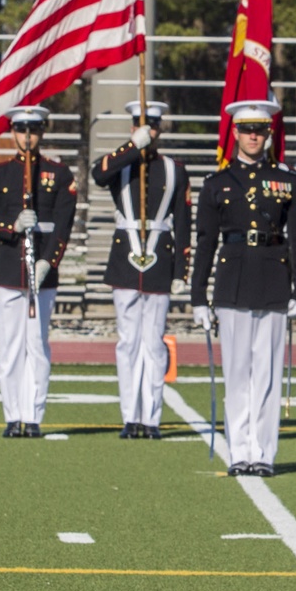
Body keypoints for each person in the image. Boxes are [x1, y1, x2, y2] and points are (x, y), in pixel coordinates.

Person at [191, 98, 296, 477]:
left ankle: (264, 453)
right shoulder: (217, 183)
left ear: (269, 134)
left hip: (274, 277)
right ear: (235, 134)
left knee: (268, 374)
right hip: (233, 280)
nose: (253, 136)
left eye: (259, 130)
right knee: (238, 372)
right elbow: (206, 241)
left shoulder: (288, 180)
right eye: (246, 130)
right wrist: (198, 297)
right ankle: (239, 451)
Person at [0, 105, 78, 438]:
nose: (27, 136)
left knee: (37, 343)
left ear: (43, 132)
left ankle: (32, 415)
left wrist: (50, 261)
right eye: (21, 129)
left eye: (33, 130)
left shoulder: (59, 174)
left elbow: (63, 225)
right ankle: (12, 415)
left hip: (43, 273)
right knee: (9, 345)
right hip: (8, 270)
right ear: (12, 132)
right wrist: (12, 225)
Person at [91, 99, 192, 439]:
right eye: (140, 124)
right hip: (125, 259)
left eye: (151, 126)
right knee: (128, 341)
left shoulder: (175, 168)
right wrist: (132, 147)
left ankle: (151, 417)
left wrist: (181, 271)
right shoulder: (122, 163)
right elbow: (97, 173)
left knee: (154, 342)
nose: (147, 130)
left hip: (160, 258)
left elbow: (184, 221)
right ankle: (129, 415)